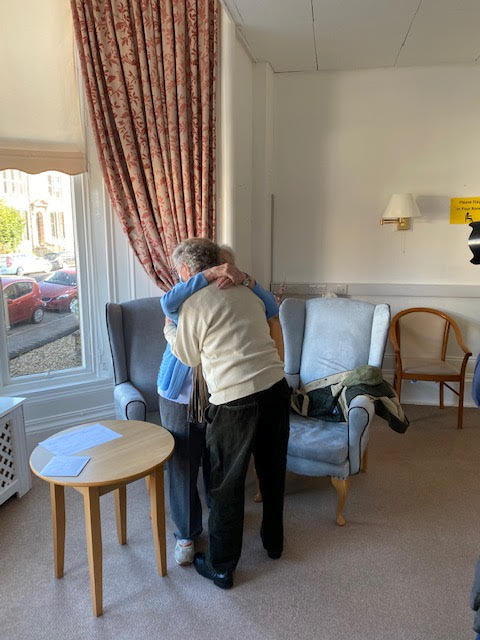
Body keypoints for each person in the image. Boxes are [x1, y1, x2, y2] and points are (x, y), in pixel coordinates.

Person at [164, 238, 290, 589]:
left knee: (225, 486)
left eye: (178, 273)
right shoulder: (247, 293)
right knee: (272, 471)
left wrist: (169, 330)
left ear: (188, 272)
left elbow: (188, 357)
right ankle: (274, 543)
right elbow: (269, 317)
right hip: (276, 389)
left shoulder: (192, 305)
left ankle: (221, 567)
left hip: (236, 401)